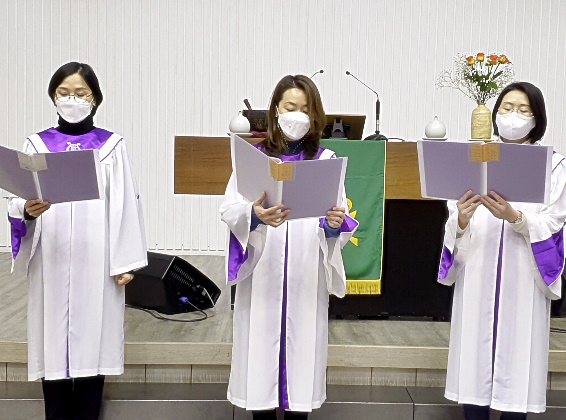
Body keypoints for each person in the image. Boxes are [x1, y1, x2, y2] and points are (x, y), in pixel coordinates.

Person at [8, 62, 147, 420]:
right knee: (52, 344)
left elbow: (126, 205)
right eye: (64, 93)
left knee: (93, 342)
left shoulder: (111, 146)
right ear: (53, 97)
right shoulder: (36, 144)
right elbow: (17, 200)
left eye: (80, 93)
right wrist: (26, 210)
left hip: (96, 260)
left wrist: (125, 262)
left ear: (95, 99)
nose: (72, 99)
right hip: (51, 258)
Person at [220, 75, 358, 419]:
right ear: (276, 110)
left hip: (304, 278)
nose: (297, 115)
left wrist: (333, 225)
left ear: (315, 116)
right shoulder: (253, 159)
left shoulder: (326, 161)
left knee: (300, 377)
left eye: (305, 109)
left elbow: (337, 220)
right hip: (263, 277)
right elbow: (230, 210)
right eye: (290, 107)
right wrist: (253, 216)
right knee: (260, 378)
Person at [438, 82, 566, 419]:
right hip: (478, 269)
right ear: (495, 114)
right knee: (474, 367)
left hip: (523, 276)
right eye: (507, 108)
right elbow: (454, 217)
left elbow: (555, 223)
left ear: (537, 119)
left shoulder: (553, 166)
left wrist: (516, 218)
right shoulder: (474, 159)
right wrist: (461, 219)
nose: (513, 116)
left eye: (524, 110)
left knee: (516, 368)